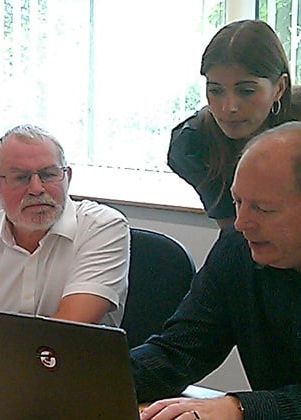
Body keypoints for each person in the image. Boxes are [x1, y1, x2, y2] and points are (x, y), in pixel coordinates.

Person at [134, 122, 301, 420]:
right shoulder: (238, 250)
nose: (241, 223)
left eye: (263, 208)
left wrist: (239, 408)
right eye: (238, 202)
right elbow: (178, 352)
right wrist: (94, 377)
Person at [0, 125, 129, 333]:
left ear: (68, 178)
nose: (37, 189)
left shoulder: (102, 228)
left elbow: (68, 329)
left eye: (48, 175)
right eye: (21, 177)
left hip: (76, 364)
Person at [169, 19, 301, 230]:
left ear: (279, 88)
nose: (228, 107)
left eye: (246, 91)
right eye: (216, 90)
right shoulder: (191, 145)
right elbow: (239, 232)